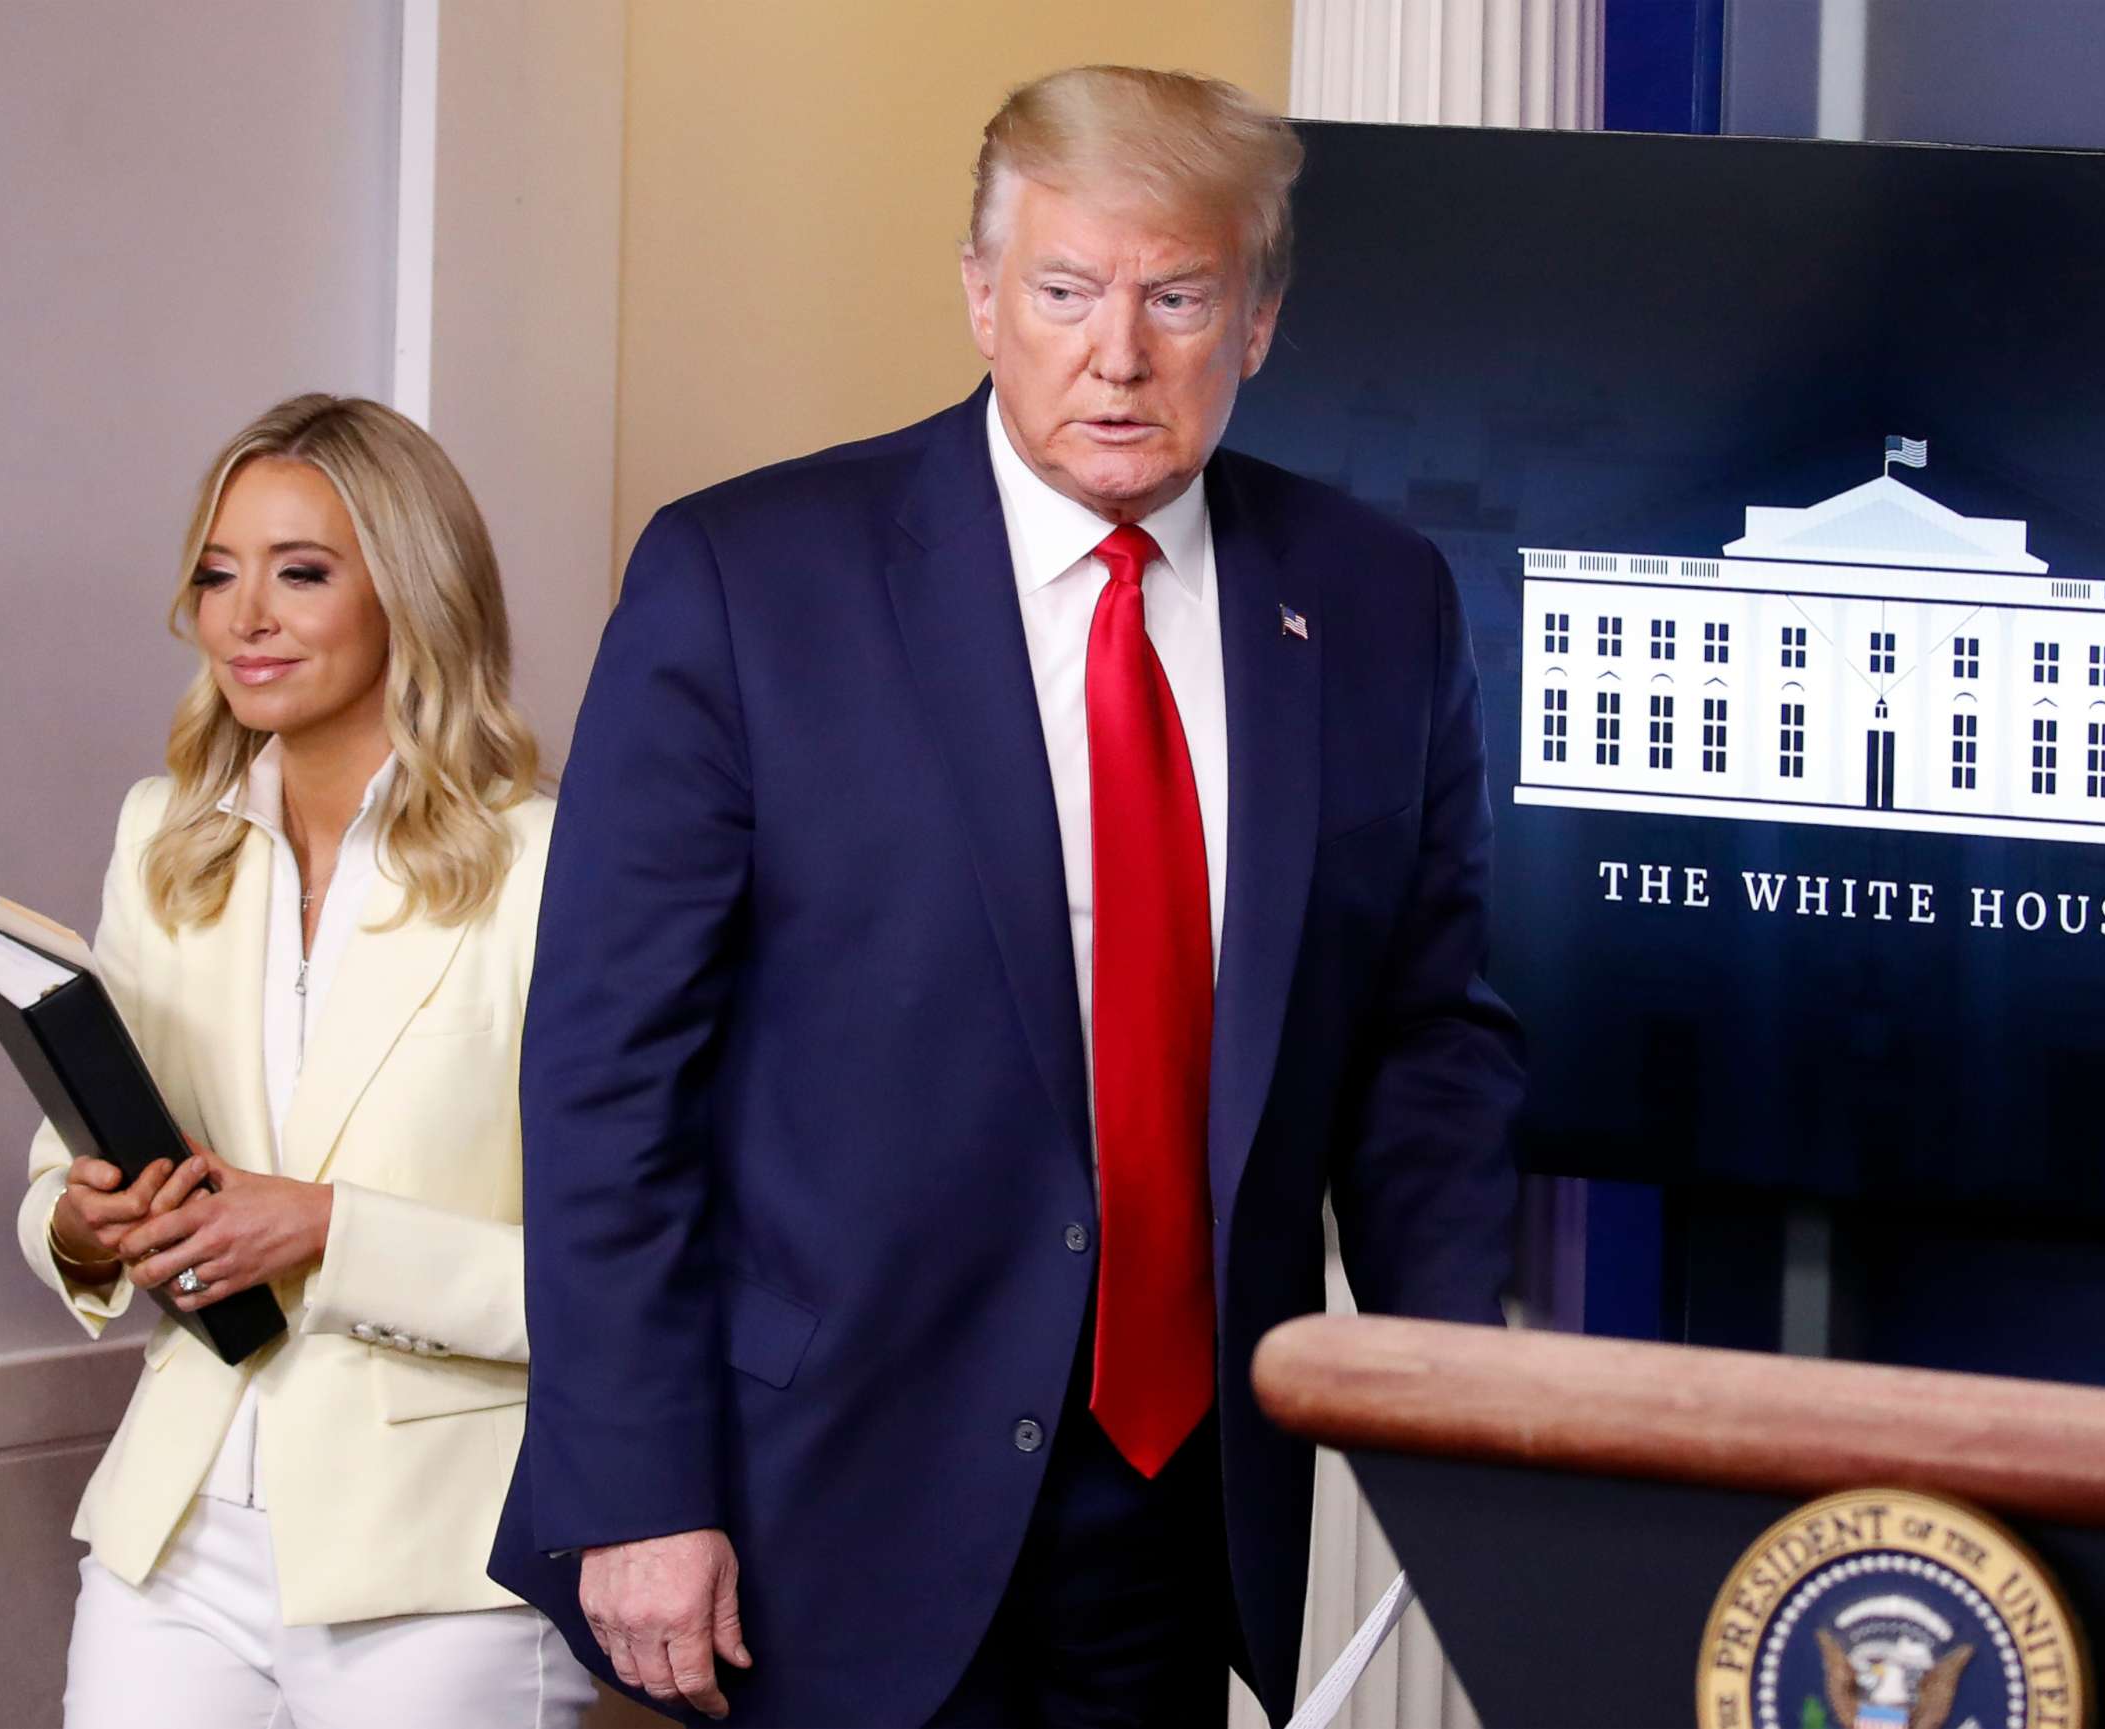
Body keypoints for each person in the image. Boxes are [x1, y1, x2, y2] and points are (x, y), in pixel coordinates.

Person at [494, 66, 1523, 1726]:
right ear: (982, 298)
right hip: (820, 1499)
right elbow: (608, 1071)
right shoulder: (750, 582)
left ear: (1257, 318)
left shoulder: (1375, 603)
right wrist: (632, 1482)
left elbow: (1425, 1046)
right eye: (1065, 292)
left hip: (1183, 1499)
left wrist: (1464, 1420)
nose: (1117, 355)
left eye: (1177, 296)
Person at [17, 394, 593, 1726]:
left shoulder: (551, 866)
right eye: (218, 574)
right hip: (181, 1518)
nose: (244, 617)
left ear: (412, 591)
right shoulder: (166, 839)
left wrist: (326, 1231)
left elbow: (619, 1274)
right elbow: (69, 1152)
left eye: (301, 572)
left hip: (449, 1550)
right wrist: (85, 1223)